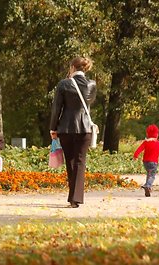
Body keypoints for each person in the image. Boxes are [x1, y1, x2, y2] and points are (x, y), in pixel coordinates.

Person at [49, 56, 97, 208]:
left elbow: (57, 108)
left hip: (66, 128)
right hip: (85, 128)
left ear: (72, 67)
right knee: (80, 162)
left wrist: (53, 127)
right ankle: (75, 197)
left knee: (70, 161)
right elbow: (86, 106)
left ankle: (73, 198)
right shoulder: (92, 84)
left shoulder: (64, 84)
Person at [133, 124, 159, 197]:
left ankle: (148, 190)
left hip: (145, 162)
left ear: (148, 134)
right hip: (153, 162)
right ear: (156, 135)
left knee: (149, 174)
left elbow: (139, 149)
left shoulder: (145, 142)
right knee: (152, 176)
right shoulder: (158, 143)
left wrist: (135, 156)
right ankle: (147, 185)